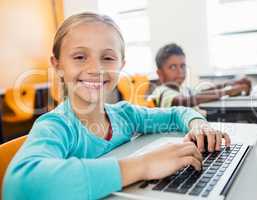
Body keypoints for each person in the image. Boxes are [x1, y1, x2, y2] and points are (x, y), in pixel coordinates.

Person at [3, 13, 231, 200]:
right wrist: (143, 165)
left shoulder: (126, 114)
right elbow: (20, 185)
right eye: (80, 57)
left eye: (108, 58)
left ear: (121, 65)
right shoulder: (56, 126)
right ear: (57, 64)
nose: (95, 68)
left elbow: (176, 113)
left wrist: (199, 124)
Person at [151, 43, 252, 108]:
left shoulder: (181, 89)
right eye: (173, 67)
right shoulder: (162, 92)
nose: (180, 71)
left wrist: (231, 83)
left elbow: (202, 92)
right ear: (160, 74)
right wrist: (229, 91)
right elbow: (188, 101)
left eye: (182, 66)